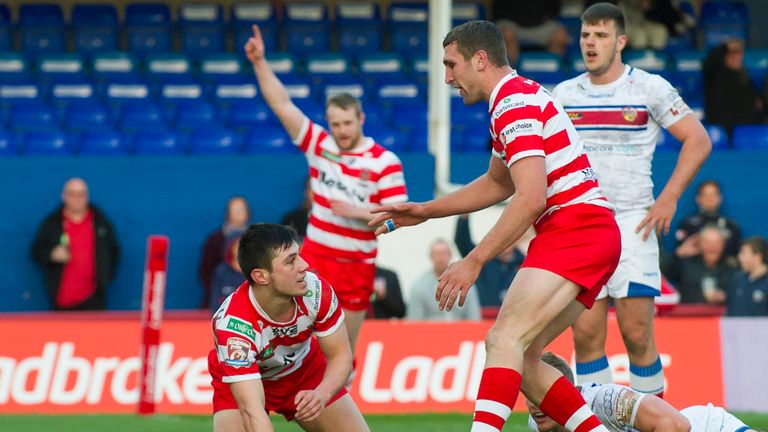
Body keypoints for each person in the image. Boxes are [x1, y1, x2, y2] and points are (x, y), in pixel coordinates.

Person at [371, 20, 621, 432]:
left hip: (575, 228)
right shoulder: (515, 98)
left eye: (452, 65)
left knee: (502, 340)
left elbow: (530, 197)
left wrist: (473, 261)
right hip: (588, 231)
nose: (448, 78)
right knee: (522, 355)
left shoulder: (513, 104)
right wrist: (427, 211)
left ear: (480, 59)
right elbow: (497, 182)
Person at [552, 2, 711, 396]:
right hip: (582, 224)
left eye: (601, 36)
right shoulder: (564, 93)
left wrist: (669, 198)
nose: (591, 43)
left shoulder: (649, 87)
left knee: (637, 335)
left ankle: (654, 421)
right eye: (586, 35)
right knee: (586, 336)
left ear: (621, 41)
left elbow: (698, 139)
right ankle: (599, 423)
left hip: (631, 223)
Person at [245, 25, 408, 358]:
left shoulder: (384, 161)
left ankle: (335, 402)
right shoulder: (320, 146)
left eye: (348, 123)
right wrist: (260, 62)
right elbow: (282, 104)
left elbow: (399, 217)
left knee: (343, 355)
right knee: (301, 347)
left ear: (361, 118)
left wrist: (358, 212)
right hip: (316, 258)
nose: (341, 131)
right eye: (335, 124)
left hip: (357, 264)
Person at [208, 223, 370, 432]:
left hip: (303, 372)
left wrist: (322, 393)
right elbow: (252, 411)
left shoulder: (316, 290)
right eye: (290, 261)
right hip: (242, 382)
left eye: (299, 255)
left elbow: (341, 356)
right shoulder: (234, 327)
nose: (304, 266)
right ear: (261, 276)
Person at [526, 352, 757, 432]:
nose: (535, 405)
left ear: (565, 392)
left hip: (708, 427)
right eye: (530, 396)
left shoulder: (603, 401)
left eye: (544, 396)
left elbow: (676, 426)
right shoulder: (538, 422)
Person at [31, 177, 120, 311]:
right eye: (72, 194)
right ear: (64, 196)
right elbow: (36, 251)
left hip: (94, 299)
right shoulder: (52, 223)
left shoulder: (100, 222)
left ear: (87, 196)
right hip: (62, 300)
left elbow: (114, 251)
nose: (77, 198)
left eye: (81, 194)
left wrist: (105, 276)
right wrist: (51, 255)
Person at [455, 214, 529, 307]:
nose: (506, 242)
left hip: (513, 317)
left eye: (509, 237)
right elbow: (463, 242)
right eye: (503, 238)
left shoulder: (525, 262)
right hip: (485, 317)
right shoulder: (483, 259)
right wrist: (464, 217)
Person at [407, 239, 481, 321]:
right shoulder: (419, 287)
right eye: (436, 254)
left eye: (444, 253)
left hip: (461, 332)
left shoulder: (466, 284)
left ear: (450, 255)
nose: (440, 258)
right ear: (430, 256)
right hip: (430, 333)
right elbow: (414, 321)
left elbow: (475, 319)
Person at [703, 38, 764, 136]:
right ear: (724, 57)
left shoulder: (744, 75)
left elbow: (755, 101)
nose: (736, 57)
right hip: (724, 125)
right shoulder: (716, 75)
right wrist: (726, 46)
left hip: (747, 125)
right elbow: (709, 63)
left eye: (739, 54)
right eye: (732, 54)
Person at [664, 225, 737, 305]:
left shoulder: (731, 267)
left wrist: (726, 296)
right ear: (700, 243)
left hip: (720, 315)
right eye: (708, 242)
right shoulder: (686, 263)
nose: (712, 247)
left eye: (717, 243)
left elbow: (740, 292)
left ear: (723, 245)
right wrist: (678, 254)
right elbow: (664, 277)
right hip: (689, 314)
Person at [199, 196, 251, 309]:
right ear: (228, 213)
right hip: (221, 299)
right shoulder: (215, 239)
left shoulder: (256, 238)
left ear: (248, 212)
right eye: (235, 210)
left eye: (241, 209)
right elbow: (205, 271)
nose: (238, 213)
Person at [675, 180, 742, 260]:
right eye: (706, 195)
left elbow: (736, 256)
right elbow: (679, 253)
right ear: (697, 198)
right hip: (693, 268)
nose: (710, 199)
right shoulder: (688, 224)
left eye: (713, 195)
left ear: (720, 198)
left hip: (724, 269)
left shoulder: (731, 226)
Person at [492, 0, 569, 56]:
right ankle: (511, 75)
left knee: (560, 35)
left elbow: (555, 10)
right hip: (512, 25)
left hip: (540, 26)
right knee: (507, 34)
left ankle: (553, 74)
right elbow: (497, 11)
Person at [726, 236, 768, 316]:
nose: (739, 256)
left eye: (743, 253)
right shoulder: (737, 279)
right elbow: (730, 310)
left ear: (757, 256)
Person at [208, 231, 244, 313]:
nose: (240, 248)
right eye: (237, 244)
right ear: (230, 247)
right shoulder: (221, 271)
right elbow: (215, 298)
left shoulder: (254, 272)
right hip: (224, 317)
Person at [282, 176, 312, 240]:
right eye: (311, 188)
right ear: (305, 192)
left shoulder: (335, 220)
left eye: (319, 189)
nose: (316, 193)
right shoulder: (292, 219)